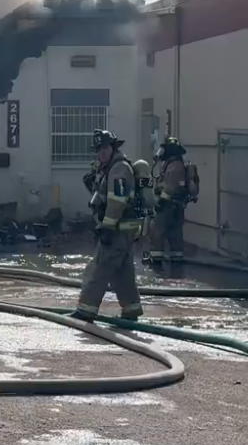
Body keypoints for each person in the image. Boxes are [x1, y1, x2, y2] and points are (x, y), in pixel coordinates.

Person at [71, 129, 146, 323]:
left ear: (112, 147)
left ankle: (86, 311)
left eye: (104, 148)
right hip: (123, 230)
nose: (101, 152)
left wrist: (107, 227)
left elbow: (117, 201)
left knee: (99, 268)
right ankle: (132, 310)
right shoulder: (109, 167)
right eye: (98, 149)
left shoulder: (119, 169)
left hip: (117, 229)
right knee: (123, 272)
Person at [149, 137, 192, 261]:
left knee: (158, 232)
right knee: (175, 234)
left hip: (168, 206)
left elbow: (170, 187)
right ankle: (176, 262)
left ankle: (156, 261)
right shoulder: (174, 164)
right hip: (175, 206)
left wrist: (161, 202)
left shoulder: (174, 166)